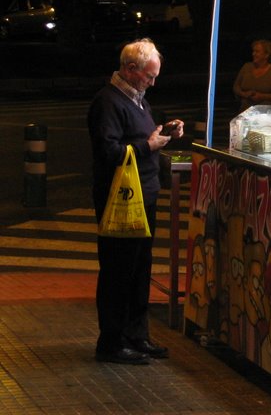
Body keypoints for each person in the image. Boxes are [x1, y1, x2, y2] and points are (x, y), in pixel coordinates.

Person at [88, 38, 184, 364]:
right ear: (130, 69)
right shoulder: (108, 102)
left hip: (146, 194)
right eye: (149, 76)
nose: (153, 82)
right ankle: (111, 343)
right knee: (118, 271)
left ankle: (136, 335)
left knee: (140, 269)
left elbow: (139, 138)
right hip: (121, 200)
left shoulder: (138, 100)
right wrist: (150, 145)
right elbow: (110, 152)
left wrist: (163, 134)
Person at [233, 38, 271, 111]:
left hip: (266, 113)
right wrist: (244, 94)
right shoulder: (247, 67)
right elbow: (236, 87)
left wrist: (263, 96)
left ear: (266, 55)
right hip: (245, 111)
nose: (253, 54)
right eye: (253, 51)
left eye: (257, 52)